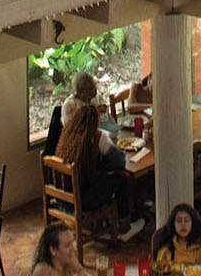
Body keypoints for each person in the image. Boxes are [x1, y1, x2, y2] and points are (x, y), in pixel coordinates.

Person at [55, 103, 144, 241]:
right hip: (82, 200)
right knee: (122, 180)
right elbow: (119, 160)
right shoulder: (97, 136)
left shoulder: (67, 134)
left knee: (103, 178)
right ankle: (124, 226)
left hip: (63, 198)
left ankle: (107, 221)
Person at [151, 202, 201, 275]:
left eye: (186, 221)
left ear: (193, 223)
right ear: (173, 224)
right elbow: (159, 271)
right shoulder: (167, 249)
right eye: (179, 221)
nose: (183, 224)